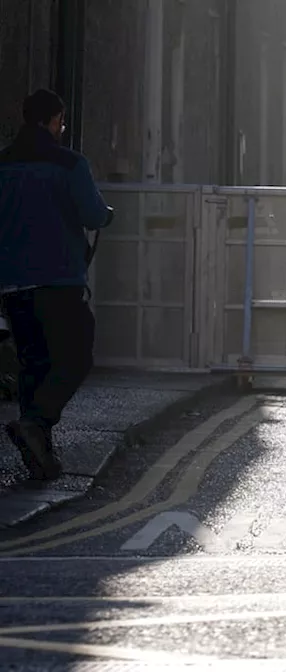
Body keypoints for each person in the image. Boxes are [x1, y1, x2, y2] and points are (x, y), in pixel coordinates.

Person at [0, 89, 114, 481]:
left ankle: (40, 454)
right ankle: (37, 422)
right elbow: (94, 215)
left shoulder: (3, 163)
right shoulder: (69, 163)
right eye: (61, 122)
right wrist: (106, 214)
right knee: (77, 354)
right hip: (58, 279)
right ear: (55, 120)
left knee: (34, 362)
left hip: (12, 284)